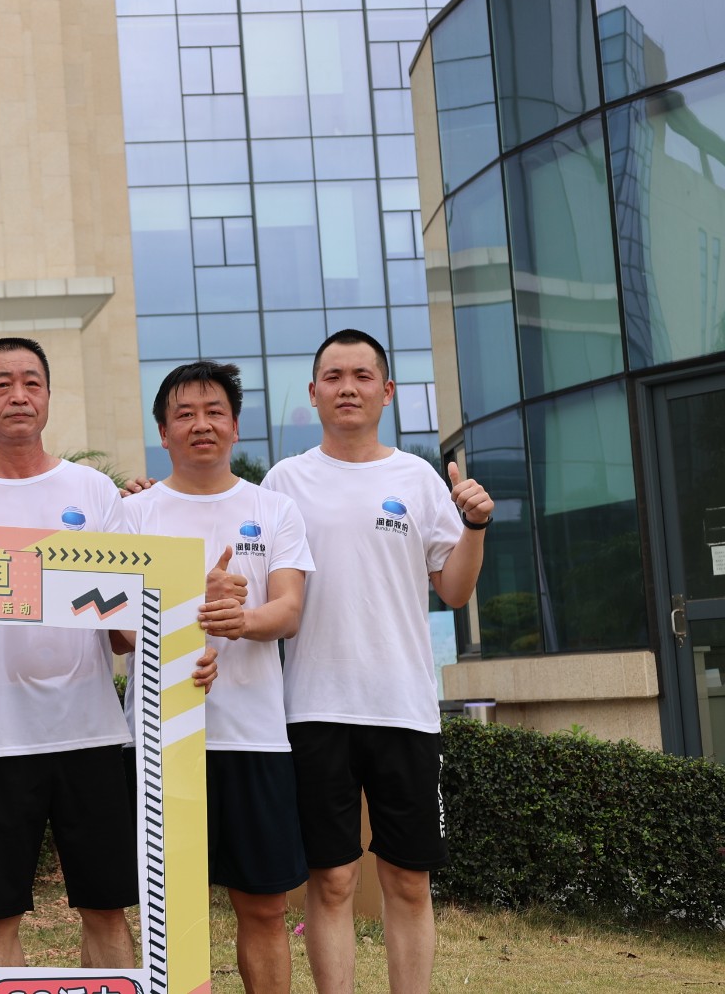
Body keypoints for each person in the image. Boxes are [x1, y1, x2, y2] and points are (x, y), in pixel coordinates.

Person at [0, 336, 216, 969]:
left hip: (92, 733)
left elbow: (126, 623)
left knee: (106, 906)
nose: (19, 395)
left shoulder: (93, 492)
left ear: (49, 397)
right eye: (2, 384)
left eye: (32, 382)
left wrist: (180, 644)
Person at [263, 329, 492, 994]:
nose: (348, 388)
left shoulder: (417, 478)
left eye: (362, 376)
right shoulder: (284, 482)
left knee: (408, 880)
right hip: (313, 708)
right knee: (331, 879)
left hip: (403, 708)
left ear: (387, 391)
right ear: (314, 393)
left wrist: (474, 527)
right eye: (334, 377)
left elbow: (454, 590)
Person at [120, 361, 313, 994]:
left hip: (254, 737)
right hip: (160, 743)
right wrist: (185, 621)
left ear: (234, 426)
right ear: (163, 431)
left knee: (264, 908)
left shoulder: (274, 508)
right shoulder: (133, 514)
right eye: (184, 414)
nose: (200, 424)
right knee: (173, 916)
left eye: (214, 412)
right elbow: (115, 631)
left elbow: (288, 611)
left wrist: (240, 619)